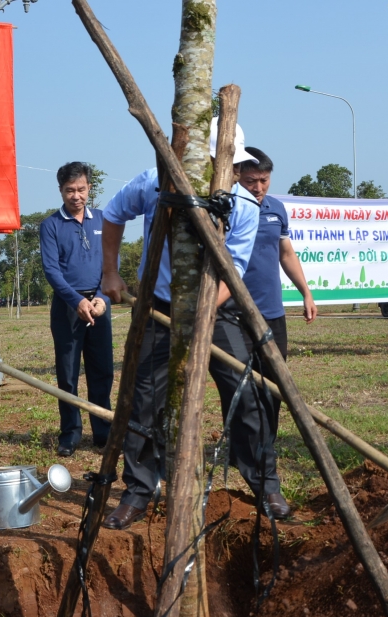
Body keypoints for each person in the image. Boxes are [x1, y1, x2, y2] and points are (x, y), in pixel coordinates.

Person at [99, 119, 272, 530]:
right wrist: (110, 272)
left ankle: (266, 484)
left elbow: (236, 270)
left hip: (217, 309)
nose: (227, 174)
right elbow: (112, 213)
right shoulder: (155, 185)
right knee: (143, 398)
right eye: (219, 164)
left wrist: (203, 314)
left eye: (232, 167)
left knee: (245, 392)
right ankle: (140, 489)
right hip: (159, 307)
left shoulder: (244, 207)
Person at [230, 146, 316, 502]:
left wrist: (306, 292)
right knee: (239, 388)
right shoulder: (228, 206)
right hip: (231, 313)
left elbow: (285, 253)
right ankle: (244, 455)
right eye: (251, 180)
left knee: (274, 386)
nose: (258, 187)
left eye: (264, 180)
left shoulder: (276, 209)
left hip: (271, 312)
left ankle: (265, 445)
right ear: (237, 176)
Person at [40, 161, 113, 457]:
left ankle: (103, 432)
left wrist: (100, 299)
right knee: (68, 374)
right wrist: (77, 301)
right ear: (60, 191)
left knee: (102, 371)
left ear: (89, 188)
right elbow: (51, 270)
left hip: (97, 306)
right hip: (68, 307)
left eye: (81, 189)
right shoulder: (51, 225)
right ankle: (70, 433)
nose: (76, 196)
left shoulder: (104, 220)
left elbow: (112, 262)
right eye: (69, 190)